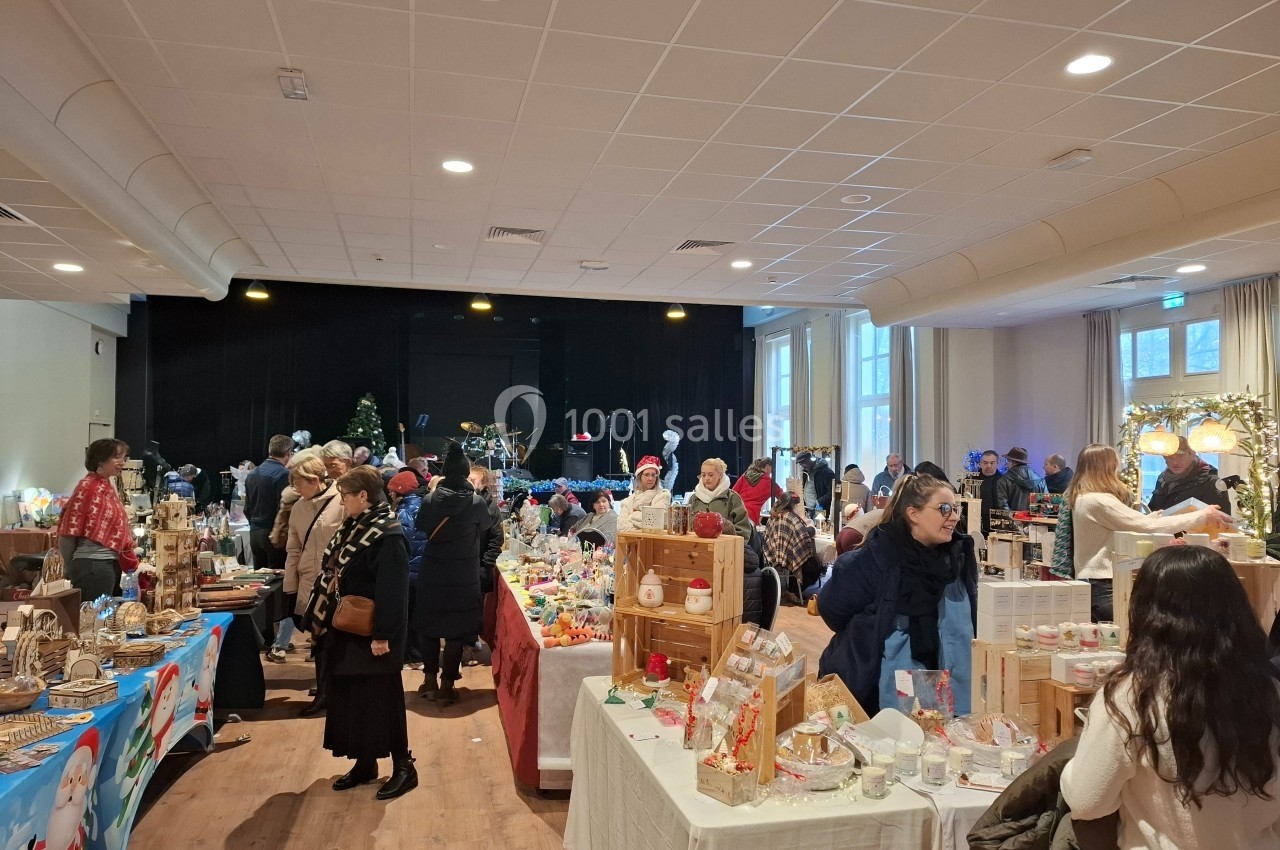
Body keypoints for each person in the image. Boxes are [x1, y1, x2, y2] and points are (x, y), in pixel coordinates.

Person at [1062, 545, 1280, 850]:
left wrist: (1068, 767)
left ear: (1145, 611)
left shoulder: (1132, 695)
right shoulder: (1268, 690)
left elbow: (1087, 801)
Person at [817, 473, 978, 715]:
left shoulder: (958, 558)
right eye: (945, 509)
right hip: (875, 686)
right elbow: (832, 609)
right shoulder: (876, 558)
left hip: (948, 689)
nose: (954, 517)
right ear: (913, 514)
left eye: (956, 509)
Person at [316, 466, 415, 800]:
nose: (341, 502)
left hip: (374, 632)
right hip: (348, 628)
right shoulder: (357, 525)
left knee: (383, 697)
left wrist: (383, 635)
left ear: (363, 495)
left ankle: (404, 765)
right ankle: (365, 762)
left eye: (345, 496)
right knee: (354, 695)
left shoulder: (388, 534)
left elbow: (394, 592)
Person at [1067, 443, 1225, 622]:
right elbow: (1145, 527)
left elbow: (1132, 522)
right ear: (1107, 466)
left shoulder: (1084, 498)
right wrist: (1201, 516)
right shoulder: (1100, 501)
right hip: (1103, 583)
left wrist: (1152, 518)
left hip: (1095, 581)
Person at [413, 445, 495, 706]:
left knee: (429, 629)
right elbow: (485, 527)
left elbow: (421, 526)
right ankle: (447, 685)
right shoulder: (476, 502)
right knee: (456, 632)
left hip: (433, 571)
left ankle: (428, 680)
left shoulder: (429, 499)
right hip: (464, 575)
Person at [279, 453, 344, 712]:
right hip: (309, 582)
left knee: (339, 637)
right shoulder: (298, 507)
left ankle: (342, 694)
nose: (296, 488)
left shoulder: (342, 500)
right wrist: (290, 588)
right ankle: (324, 694)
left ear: (315, 479)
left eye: (299, 483)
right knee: (318, 640)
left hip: (338, 583)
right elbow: (293, 550)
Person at [686, 458, 762, 624]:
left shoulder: (733, 498)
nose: (706, 478)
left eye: (711, 474)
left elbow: (743, 532)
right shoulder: (693, 499)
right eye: (703, 474)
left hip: (725, 559)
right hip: (698, 557)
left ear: (720, 475)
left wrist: (724, 538)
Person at [58, 438, 133, 601]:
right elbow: (69, 531)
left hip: (108, 564)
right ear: (100, 459)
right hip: (93, 565)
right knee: (93, 621)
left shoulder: (105, 486)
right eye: (117, 457)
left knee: (104, 620)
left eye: (124, 458)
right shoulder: (88, 488)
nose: (122, 462)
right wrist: (69, 569)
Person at [388, 471, 428, 667]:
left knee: (407, 613)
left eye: (392, 491)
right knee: (418, 613)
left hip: (409, 568)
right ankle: (418, 653)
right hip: (423, 568)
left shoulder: (404, 510)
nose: (390, 495)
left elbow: (402, 541)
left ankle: (412, 655)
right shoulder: (422, 504)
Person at [245, 435, 294, 570]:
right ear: (289, 452)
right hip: (274, 534)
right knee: (276, 583)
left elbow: (247, 508)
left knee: (258, 583)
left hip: (254, 533)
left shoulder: (252, 473)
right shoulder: (284, 474)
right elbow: (284, 507)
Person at [1148, 436, 1232, 514]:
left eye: (1180, 456)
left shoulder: (1212, 482)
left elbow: (1221, 522)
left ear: (1192, 454)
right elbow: (1153, 510)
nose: (1175, 462)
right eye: (1170, 457)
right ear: (1164, 458)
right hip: (1161, 529)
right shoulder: (1162, 479)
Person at [763, 491, 822, 601]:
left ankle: (791, 590)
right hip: (790, 555)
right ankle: (793, 590)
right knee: (816, 568)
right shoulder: (792, 518)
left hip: (775, 555)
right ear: (792, 505)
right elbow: (803, 533)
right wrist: (812, 529)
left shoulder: (773, 515)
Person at [617, 455, 672, 533]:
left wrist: (631, 516)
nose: (650, 478)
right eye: (646, 475)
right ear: (640, 477)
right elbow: (621, 527)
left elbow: (656, 524)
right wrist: (644, 527)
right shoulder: (629, 500)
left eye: (653, 475)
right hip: (633, 543)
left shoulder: (662, 496)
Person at [732, 457, 783, 524]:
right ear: (768, 467)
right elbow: (783, 498)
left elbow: (733, 493)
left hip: (736, 511)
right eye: (771, 469)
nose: (771, 472)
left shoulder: (745, 476)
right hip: (751, 514)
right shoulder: (769, 482)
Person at [995, 447, 1046, 512]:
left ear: (1012, 461)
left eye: (1007, 460)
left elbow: (1003, 507)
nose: (1006, 464)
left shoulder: (1003, 480)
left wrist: (1016, 519)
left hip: (1013, 520)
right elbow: (1045, 505)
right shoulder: (1041, 480)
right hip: (1035, 521)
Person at [977, 450, 1002, 535]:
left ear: (997, 464)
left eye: (992, 463)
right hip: (976, 519)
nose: (988, 466)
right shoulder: (971, 480)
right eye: (985, 463)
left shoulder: (1004, 481)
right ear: (980, 463)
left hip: (998, 521)